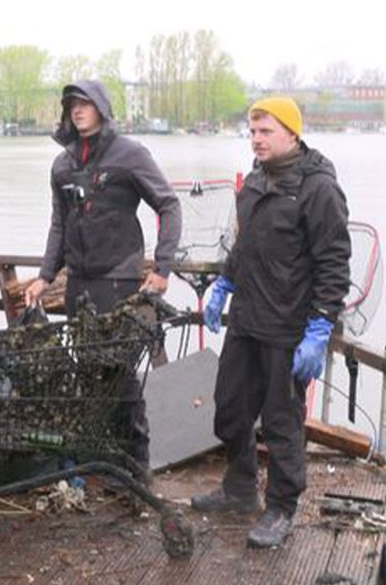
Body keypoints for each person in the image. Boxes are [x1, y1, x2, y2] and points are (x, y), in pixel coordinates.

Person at [195, 97, 351, 549]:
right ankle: (240, 488)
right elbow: (244, 246)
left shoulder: (318, 188)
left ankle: (280, 508)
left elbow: (334, 263)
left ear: (292, 134)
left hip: (288, 327)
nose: (257, 140)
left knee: (282, 423)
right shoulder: (256, 183)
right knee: (229, 407)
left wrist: (320, 328)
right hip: (247, 320)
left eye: (266, 131)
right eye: (252, 132)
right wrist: (225, 283)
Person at [23, 79, 182, 476]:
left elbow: (169, 205)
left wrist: (162, 269)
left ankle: (136, 466)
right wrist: (45, 276)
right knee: (87, 374)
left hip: (120, 281)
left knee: (121, 377)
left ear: (101, 108)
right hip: (79, 283)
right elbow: (58, 225)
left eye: (85, 104)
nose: (77, 112)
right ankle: (103, 461)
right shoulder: (63, 164)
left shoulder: (129, 154)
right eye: (71, 106)